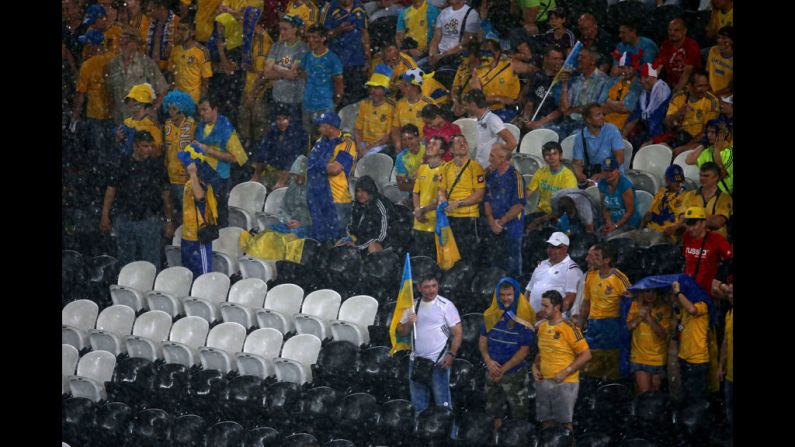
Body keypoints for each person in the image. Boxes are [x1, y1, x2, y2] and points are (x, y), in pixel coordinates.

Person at [100, 130, 175, 269]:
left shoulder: (157, 166)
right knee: (126, 263)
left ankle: (149, 288)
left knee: (151, 263)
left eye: (151, 146)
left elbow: (166, 195)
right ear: (135, 146)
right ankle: (129, 289)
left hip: (150, 219)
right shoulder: (122, 163)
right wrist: (105, 216)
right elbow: (111, 190)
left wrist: (169, 221)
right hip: (125, 218)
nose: (149, 149)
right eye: (145, 146)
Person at [396, 273, 463, 416]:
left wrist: (451, 354)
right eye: (426, 287)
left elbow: (458, 332)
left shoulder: (446, 305)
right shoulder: (413, 306)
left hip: (439, 362)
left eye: (434, 286)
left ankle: (449, 435)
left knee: (443, 404)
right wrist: (409, 322)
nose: (431, 290)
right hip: (417, 362)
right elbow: (400, 331)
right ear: (419, 288)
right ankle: (420, 434)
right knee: (418, 406)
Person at [480, 278, 535, 436]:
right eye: (502, 295)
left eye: (509, 295)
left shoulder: (525, 317)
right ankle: (497, 440)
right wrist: (489, 362)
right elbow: (483, 340)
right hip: (492, 371)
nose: (505, 298)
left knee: (519, 415)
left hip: (514, 375)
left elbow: (524, 351)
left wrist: (502, 370)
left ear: (516, 294)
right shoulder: (491, 314)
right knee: (494, 414)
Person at [533, 289, 591, 432]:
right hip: (544, 381)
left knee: (565, 425)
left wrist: (566, 372)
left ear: (557, 307)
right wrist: (534, 367)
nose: (542, 309)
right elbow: (542, 352)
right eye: (542, 305)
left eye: (546, 306)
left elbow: (586, 354)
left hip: (565, 383)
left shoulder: (569, 328)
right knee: (546, 423)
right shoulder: (541, 327)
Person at [192, 94, 250, 227]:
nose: (201, 114)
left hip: (220, 179)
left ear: (215, 109)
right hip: (202, 178)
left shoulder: (225, 128)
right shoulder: (200, 127)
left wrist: (209, 150)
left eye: (205, 110)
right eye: (200, 110)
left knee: (219, 220)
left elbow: (236, 157)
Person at [579, 243, 631, 381]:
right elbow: (586, 302)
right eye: (589, 255)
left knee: (612, 367)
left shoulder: (619, 278)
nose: (589, 259)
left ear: (606, 260)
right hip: (594, 326)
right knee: (591, 368)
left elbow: (631, 302)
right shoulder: (590, 276)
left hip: (612, 326)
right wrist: (580, 325)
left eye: (595, 256)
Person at [306, 111, 357, 242]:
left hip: (337, 199)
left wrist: (318, 166)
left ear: (330, 127)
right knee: (321, 240)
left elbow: (335, 169)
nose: (319, 129)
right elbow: (309, 163)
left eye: (322, 126)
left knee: (337, 240)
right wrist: (324, 166)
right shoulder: (319, 143)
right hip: (319, 197)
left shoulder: (346, 143)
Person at [437, 134, 486, 264]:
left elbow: (479, 194)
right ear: (451, 150)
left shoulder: (475, 167)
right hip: (451, 218)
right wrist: (442, 199)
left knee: (469, 255)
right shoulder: (445, 167)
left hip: (469, 218)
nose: (463, 144)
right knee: (452, 254)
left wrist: (458, 203)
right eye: (459, 143)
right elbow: (441, 189)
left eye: (464, 142)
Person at [106, 26, 169, 124]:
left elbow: (163, 91)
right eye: (121, 41)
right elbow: (110, 94)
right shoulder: (113, 65)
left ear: (136, 44)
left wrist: (152, 111)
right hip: (120, 122)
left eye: (127, 42)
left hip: (143, 122)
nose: (123, 44)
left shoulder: (147, 63)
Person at [484, 146, 526, 277]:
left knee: (512, 260)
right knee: (494, 260)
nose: (489, 159)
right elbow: (487, 200)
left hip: (512, 226)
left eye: (492, 156)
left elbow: (519, 205)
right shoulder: (491, 176)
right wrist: (491, 221)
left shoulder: (516, 177)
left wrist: (501, 222)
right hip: (494, 225)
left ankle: (514, 286)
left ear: (502, 159)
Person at [322, 0, 371, 108]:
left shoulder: (360, 7)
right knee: (338, 99)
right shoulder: (330, 8)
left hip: (357, 61)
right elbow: (323, 35)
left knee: (357, 99)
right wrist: (339, 29)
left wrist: (367, 52)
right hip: (337, 62)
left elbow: (364, 31)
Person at [179, 146, 219, 278]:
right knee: (188, 275)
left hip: (199, 238)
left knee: (202, 276)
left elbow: (200, 197)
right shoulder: (189, 183)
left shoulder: (199, 182)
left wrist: (192, 174)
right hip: (187, 237)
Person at [299, 25, 344, 137]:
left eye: (315, 37)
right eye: (309, 37)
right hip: (307, 104)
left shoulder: (332, 59)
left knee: (324, 139)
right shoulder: (307, 56)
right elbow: (301, 73)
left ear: (323, 38)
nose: (311, 40)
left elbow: (338, 82)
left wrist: (335, 101)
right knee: (307, 138)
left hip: (324, 105)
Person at [524, 232, 583, 317]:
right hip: (530, 318)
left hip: (552, 321)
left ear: (565, 248)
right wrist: (525, 311)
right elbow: (528, 290)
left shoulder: (572, 270)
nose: (551, 250)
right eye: (549, 246)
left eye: (555, 247)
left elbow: (569, 299)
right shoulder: (542, 264)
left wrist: (548, 314)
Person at [237, 12, 274, 147]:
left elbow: (264, 73)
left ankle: (259, 156)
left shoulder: (263, 41)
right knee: (244, 121)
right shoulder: (250, 39)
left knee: (259, 126)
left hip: (259, 91)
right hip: (248, 88)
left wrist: (253, 93)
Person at [627, 286, 673, 393]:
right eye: (647, 291)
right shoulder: (635, 305)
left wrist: (649, 318)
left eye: (653, 291)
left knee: (655, 393)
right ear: (642, 293)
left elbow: (663, 334)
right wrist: (639, 317)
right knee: (644, 391)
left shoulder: (664, 308)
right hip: (639, 357)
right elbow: (628, 327)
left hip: (658, 358)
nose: (650, 294)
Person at [679, 206, 733, 298]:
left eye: (693, 224)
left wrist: (729, 283)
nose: (690, 229)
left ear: (703, 223)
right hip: (689, 286)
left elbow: (731, 261)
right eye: (688, 224)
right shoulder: (686, 237)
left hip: (709, 289)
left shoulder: (717, 239)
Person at [251, 104, 310, 188]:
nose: (281, 122)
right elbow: (263, 152)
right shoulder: (273, 131)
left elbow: (293, 158)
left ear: (289, 119)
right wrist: (255, 177)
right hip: (273, 169)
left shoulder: (298, 133)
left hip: (292, 173)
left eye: (284, 119)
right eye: (278, 119)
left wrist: (281, 181)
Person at [672, 278, 711, 404]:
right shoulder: (683, 310)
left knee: (696, 398)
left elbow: (692, 310)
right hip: (684, 359)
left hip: (697, 360)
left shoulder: (702, 305)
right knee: (687, 397)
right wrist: (675, 301)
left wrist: (678, 293)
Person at [663, 72, 720, 157]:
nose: (704, 89)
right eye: (700, 86)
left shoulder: (712, 102)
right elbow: (667, 124)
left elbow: (706, 133)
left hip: (698, 141)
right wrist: (677, 114)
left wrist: (685, 147)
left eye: (706, 86)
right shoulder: (678, 97)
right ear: (690, 86)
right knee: (660, 149)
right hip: (678, 137)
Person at [556, 47, 609, 138]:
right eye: (578, 57)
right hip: (568, 122)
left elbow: (597, 108)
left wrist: (572, 110)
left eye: (582, 57)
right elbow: (564, 108)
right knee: (549, 133)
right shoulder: (575, 80)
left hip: (588, 125)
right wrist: (564, 84)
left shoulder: (604, 81)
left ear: (592, 61)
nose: (579, 59)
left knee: (572, 139)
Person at [264, 15, 308, 122]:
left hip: (295, 101)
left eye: (285, 29)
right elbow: (267, 73)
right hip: (277, 99)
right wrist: (284, 72)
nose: (282, 32)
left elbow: (292, 74)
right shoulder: (276, 46)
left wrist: (275, 66)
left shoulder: (302, 48)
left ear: (294, 29)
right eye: (280, 29)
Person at [162, 90, 198, 220]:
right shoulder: (167, 125)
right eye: (169, 108)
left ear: (182, 109)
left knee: (189, 214)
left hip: (187, 178)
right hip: (170, 176)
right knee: (175, 214)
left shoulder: (192, 125)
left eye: (174, 108)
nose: (170, 111)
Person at [461, 89, 517, 170]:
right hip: (481, 169)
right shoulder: (480, 120)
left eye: (466, 105)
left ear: (473, 105)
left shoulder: (492, 119)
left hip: (490, 170)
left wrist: (495, 164)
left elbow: (512, 142)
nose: (465, 108)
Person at [525, 141, 578, 226]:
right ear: (543, 157)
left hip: (558, 216)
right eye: (548, 155)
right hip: (541, 212)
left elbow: (568, 207)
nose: (551, 157)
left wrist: (540, 220)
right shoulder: (541, 172)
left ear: (560, 155)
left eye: (554, 154)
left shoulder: (568, 177)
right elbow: (527, 192)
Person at [572, 103, 626, 186]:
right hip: (594, 174)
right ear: (588, 120)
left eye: (602, 114)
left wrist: (603, 174)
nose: (603, 117)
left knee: (592, 187)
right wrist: (579, 175)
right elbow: (576, 164)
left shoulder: (612, 130)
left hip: (613, 173)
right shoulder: (580, 137)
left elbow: (620, 159)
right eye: (598, 115)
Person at [428, 0, 480, 85]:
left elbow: (465, 44)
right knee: (418, 69)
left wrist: (442, 56)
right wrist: (432, 56)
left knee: (443, 75)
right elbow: (435, 39)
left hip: (457, 57)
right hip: (439, 55)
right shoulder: (443, 13)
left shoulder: (471, 14)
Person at [514, 46, 565, 133]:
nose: (558, 62)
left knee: (537, 133)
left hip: (553, 121)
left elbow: (561, 110)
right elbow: (530, 102)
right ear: (546, 59)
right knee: (514, 128)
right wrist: (526, 120)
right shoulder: (538, 76)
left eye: (561, 59)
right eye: (555, 59)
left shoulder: (564, 80)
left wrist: (539, 123)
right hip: (535, 116)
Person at [340, 175, 395, 252]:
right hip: (361, 241)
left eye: (363, 191)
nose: (360, 194)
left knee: (373, 247)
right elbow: (350, 226)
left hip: (383, 243)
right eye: (358, 191)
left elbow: (382, 236)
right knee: (339, 243)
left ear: (370, 191)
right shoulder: (356, 205)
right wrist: (351, 238)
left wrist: (357, 246)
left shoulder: (381, 205)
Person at [622, 63, 671, 149]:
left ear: (654, 77)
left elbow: (658, 120)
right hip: (646, 132)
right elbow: (635, 116)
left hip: (661, 134)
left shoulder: (662, 91)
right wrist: (623, 135)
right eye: (641, 77)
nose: (642, 81)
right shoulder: (644, 94)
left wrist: (650, 142)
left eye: (645, 77)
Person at [677, 162, 733, 239]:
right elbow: (682, 218)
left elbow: (718, 222)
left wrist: (692, 218)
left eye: (706, 176)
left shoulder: (725, 198)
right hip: (693, 241)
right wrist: (706, 219)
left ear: (716, 177)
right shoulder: (690, 195)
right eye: (701, 175)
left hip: (715, 243)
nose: (702, 179)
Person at [412, 136, 446, 259]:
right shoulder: (422, 168)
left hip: (435, 224)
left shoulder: (445, 169)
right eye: (429, 143)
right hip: (419, 223)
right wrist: (417, 209)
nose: (430, 146)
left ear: (442, 151)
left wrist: (423, 210)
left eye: (435, 144)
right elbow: (416, 192)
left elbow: (442, 198)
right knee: (420, 260)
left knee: (434, 261)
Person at [354, 64, 396, 157]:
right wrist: (360, 145)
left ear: (384, 90)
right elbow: (357, 129)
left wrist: (367, 149)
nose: (373, 91)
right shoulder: (364, 104)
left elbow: (387, 137)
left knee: (368, 158)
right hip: (363, 144)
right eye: (371, 88)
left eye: (376, 88)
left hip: (380, 146)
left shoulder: (391, 107)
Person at [685, 118, 733, 195]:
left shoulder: (730, 153)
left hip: (725, 198)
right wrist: (703, 145)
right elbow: (689, 160)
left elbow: (721, 174)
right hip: (709, 195)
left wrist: (717, 150)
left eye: (712, 132)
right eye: (708, 132)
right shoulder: (708, 151)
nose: (709, 135)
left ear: (722, 134)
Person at [168, 22, 213, 103]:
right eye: (178, 29)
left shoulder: (202, 51)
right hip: (177, 98)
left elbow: (205, 80)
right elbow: (171, 74)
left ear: (193, 33)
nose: (180, 32)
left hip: (193, 99)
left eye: (184, 29)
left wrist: (201, 100)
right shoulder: (175, 50)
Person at [599, 51, 642, 133]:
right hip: (603, 124)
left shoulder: (637, 85)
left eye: (629, 68)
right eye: (622, 68)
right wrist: (617, 106)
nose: (625, 71)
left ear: (635, 68)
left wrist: (608, 101)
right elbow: (600, 105)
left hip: (623, 129)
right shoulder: (611, 81)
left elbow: (625, 108)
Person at [392, 68, 435, 150]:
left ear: (415, 87)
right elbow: (395, 128)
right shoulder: (399, 104)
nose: (401, 88)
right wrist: (398, 145)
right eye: (401, 85)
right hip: (405, 145)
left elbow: (436, 127)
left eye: (405, 85)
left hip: (425, 146)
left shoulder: (428, 103)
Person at [641, 164, 687, 240]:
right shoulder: (661, 192)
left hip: (666, 236)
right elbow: (648, 215)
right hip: (650, 232)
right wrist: (640, 230)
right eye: (674, 181)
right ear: (667, 180)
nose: (678, 183)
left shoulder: (686, 196)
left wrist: (673, 230)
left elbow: (683, 222)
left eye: (679, 181)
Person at [597, 155, 640, 236]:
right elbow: (605, 207)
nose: (608, 174)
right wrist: (609, 223)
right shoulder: (602, 184)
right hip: (613, 221)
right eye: (605, 170)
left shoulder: (625, 186)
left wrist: (615, 226)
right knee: (599, 234)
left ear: (618, 170)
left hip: (629, 223)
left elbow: (630, 212)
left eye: (611, 170)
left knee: (611, 238)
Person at [118, 83, 164, 157]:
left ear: (143, 103)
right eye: (129, 100)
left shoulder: (151, 124)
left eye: (135, 100)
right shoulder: (126, 122)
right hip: (128, 164)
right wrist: (119, 139)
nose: (130, 103)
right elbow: (122, 149)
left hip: (146, 166)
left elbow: (157, 151)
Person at [395, 0, 441, 64]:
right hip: (409, 52)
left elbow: (438, 36)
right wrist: (407, 51)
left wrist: (425, 51)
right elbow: (399, 37)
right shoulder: (404, 12)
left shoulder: (434, 11)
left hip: (430, 53)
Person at [144, 0, 181, 72]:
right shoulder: (149, 23)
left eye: (151, 9)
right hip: (151, 69)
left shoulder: (177, 22)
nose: (149, 13)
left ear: (161, 8)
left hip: (169, 69)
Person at [717, 281, 733, 427]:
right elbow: (725, 343)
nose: (731, 296)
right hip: (730, 375)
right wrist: (721, 366)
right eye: (728, 293)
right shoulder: (729, 313)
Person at [395, 124, 427, 193]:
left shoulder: (427, 149)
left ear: (418, 138)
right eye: (404, 140)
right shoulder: (400, 158)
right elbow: (401, 186)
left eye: (410, 138)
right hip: (415, 191)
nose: (407, 142)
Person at [705, 26, 732, 98]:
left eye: (724, 38)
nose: (720, 40)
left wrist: (714, 95)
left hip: (726, 95)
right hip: (709, 91)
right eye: (719, 37)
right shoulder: (713, 50)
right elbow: (707, 72)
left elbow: (730, 88)